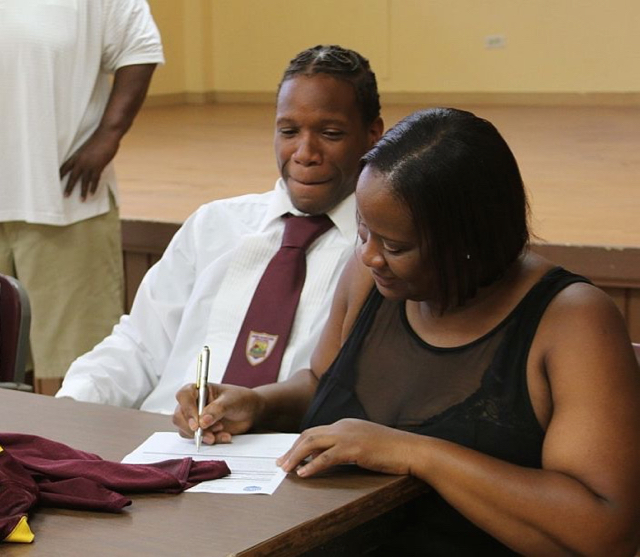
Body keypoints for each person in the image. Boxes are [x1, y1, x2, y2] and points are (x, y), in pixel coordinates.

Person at [174, 108, 640, 555]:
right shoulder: (369, 274)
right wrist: (256, 404)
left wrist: (414, 454)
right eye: (363, 233)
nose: (371, 256)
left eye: (396, 245)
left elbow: (603, 533)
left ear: (469, 241)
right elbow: (323, 383)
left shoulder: (572, 321)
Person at [56, 45, 384, 413]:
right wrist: (70, 407)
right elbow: (139, 345)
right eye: (289, 131)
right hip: (164, 438)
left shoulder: (379, 253)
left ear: (372, 134)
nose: (305, 153)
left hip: (285, 456)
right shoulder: (214, 225)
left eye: (331, 133)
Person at [0, 0, 164, 391]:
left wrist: (108, 134)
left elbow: (139, 50)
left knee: (77, 369)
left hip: (64, 200)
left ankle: (68, 452)